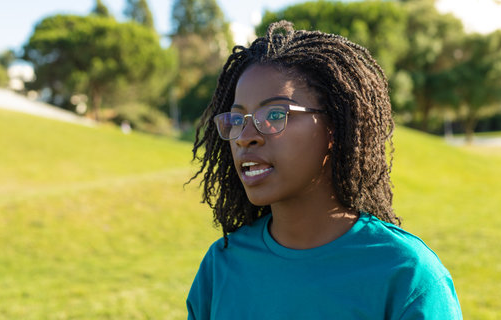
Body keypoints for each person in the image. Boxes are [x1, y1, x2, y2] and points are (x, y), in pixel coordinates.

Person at [186, 20, 462, 319]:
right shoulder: (221, 266)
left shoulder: (406, 275)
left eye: (275, 114)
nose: (244, 136)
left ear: (334, 128)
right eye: (237, 119)